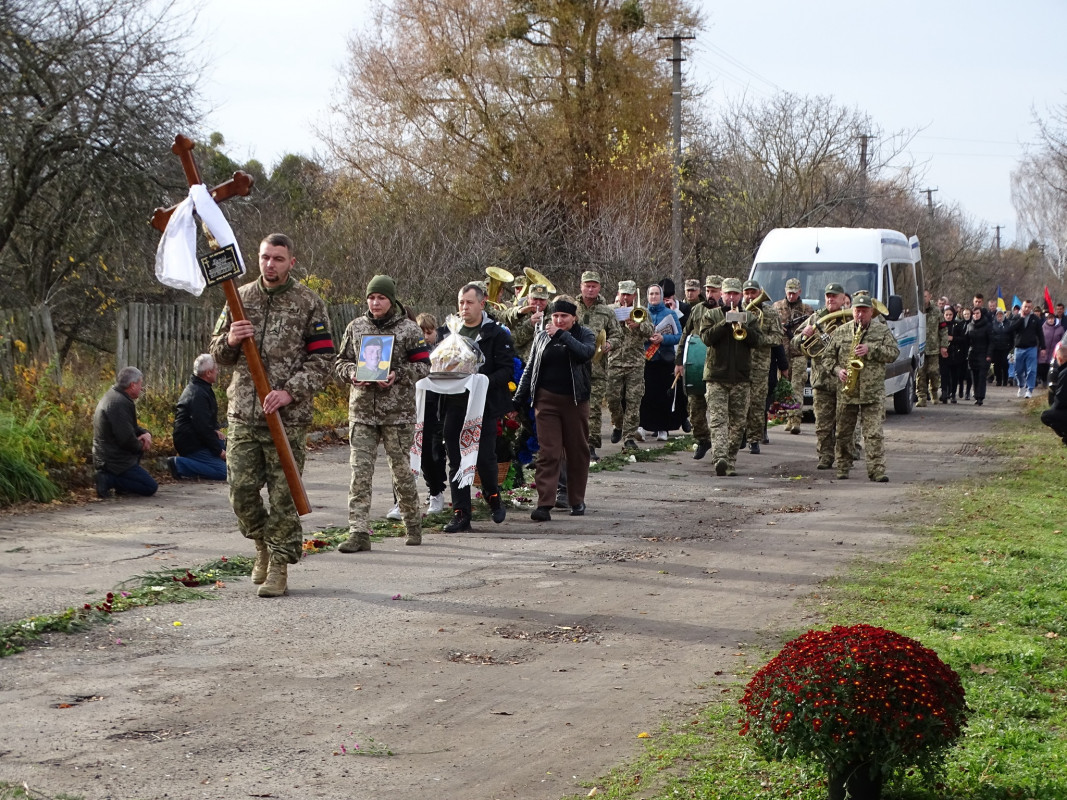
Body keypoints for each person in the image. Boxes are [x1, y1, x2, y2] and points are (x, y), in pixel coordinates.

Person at [209, 232, 335, 599]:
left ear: (291, 262)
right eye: (265, 257)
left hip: (287, 418)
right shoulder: (239, 298)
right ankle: (261, 544)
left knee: (283, 497)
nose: (270, 264)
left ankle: (279, 566)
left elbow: (323, 359)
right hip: (244, 413)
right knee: (241, 492)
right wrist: (231, 339)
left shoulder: (309, 303)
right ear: (258, 258)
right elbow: (217, 352)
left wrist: (289, 391)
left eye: (278, 258)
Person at [334, 275, 430, 552]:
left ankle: (412, 523)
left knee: (401, 472)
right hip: (362, 411)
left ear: (392, 300)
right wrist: (353, 374)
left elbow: (424, 366)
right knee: (359, 473)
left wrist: (398, 375)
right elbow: (341, 361)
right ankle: (358, 532)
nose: (375, 303)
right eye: (371, 297)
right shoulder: (356, 327)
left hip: (397, 413)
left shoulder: (409, 330)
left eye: (381, 298)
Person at [440, 282, 516, 533]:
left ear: (482, 303)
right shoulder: (449, 332)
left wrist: (482, 381)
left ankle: (493, 495)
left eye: (469, 302)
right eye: (461, 302)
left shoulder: (497, 333)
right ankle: (461, 514)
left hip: (484, 404)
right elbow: (439, 361)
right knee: (457, 459)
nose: (464, 307)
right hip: (455, 404)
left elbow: (507, 369)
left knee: (484, 457)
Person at [514, 295, 596, 521]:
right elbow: (530, 369)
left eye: (564, 316)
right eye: (556, 316)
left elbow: (584, 353)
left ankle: (576, 499)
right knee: (548, 452)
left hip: (575, 402)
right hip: (546, 401)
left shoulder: (584, 334)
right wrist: (518, 399)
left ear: (574, 318)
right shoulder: (541, 337)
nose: (559, 320)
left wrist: (562, 335)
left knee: (577, 451)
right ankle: (544, 503)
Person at [823, 292, 899, 482]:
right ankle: (843, 466)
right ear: (852, 311)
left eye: (864, 311)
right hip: (847, 391)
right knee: (843, 433)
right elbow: (826, 358)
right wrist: (838, 371)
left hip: (872, 392)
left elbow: (894, 353)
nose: (860, 315)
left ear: (871, 312)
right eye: (857, 311)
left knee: (873, 434)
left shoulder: (881, 331)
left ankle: (876, 470)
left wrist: (871, 350)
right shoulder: (841, 331)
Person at [699, 278, 764, 476]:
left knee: (738, 423)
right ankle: (720, 458)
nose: (731, 297)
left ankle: (731, 460)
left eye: (735, 294)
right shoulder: (711, 315)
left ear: (741, 296)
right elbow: (706, 338)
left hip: (741, 377)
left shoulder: (750, 317)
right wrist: (725, 323)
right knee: (718, 421)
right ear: (722, 295)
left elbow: (758, 341)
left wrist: (744, 325)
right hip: (716, 377)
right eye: (728, 294)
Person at [792, 283, 849, 470]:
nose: (830, 299)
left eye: (835, 296)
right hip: (821, 380)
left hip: (844, 379)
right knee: (822, 424)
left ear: (843, 299)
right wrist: (803, 336)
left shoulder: (849, 319)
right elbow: (794, 342)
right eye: (828, 296)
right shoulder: (815, 318)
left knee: (843, 424)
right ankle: (825, 456)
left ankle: (843, 458)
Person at [673, 275, 722, 459]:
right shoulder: (698, 310)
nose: (710, 294)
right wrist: (679, 362)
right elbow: (685, 335)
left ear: (721, 292)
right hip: (696, 366)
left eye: (714, 291)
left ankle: (721, 450)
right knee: (695, 410)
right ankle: (703, 439)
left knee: (719, 413)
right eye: (708, 290)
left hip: (719, 368)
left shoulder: (728, 312)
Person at [576, 270, 621, 461]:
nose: (590, 289)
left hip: (597, 367)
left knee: (593, 409)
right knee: (574, 408)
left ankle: (591, 444)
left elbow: (617, 334)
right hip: (574, 366)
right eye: (587, 285)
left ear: (599, 288)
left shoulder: (607, 311)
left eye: (594, 286)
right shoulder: (572, 307)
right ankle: (573, 445)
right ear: (581, 286)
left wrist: (610, 344)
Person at [92, 366, 158, 498]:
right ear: (132, 385)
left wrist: (146, 434)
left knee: (140, 443)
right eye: (140, 384)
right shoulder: (119, 403)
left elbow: (131, 427)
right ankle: (108, 479)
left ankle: (121, 484)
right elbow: (126, 440)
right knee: (150, 487)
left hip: (110, 455)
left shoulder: (116, 396)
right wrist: (142, 445)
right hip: (112, 460)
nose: (142, 388)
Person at [608, 280, 654, 451]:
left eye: (629, 294)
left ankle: (629, 436)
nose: (625, 297)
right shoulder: (610, 310)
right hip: (614, 361)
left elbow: (651, 331)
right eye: (623, 294)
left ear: (634, 295)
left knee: (633, 400)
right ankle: (618, 424)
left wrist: (639, 325)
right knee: (613, 398)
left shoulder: (642, 311)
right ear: (619, 294)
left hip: (635, 362)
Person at [740, 280, 783, 453]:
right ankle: (739, 435)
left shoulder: (770, 312)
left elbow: (778, 337)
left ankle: (754, 439)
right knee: (739, 403)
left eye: (754, 292)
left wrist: (759, 339)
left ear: (759, 293)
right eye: (747, 292)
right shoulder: (736, 310)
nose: (750, 296)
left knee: (757, 403)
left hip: (760, 365)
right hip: (739, 363)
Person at [168, 354, 226, 481]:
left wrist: (215, 430)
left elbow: (205, 421)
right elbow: (202, 428)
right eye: (216, 369)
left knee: (230, 448)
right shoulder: (197, 394)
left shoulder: (202, 388)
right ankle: (180, 464)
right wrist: (218, 451)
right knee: (224, 472)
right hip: (191, 444)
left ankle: (206, 460)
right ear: (208, 373)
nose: (218, 372)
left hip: (198, 439)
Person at [637, 283, 682, 441]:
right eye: (651, 294)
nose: (654, 297)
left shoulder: (670, 314)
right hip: (647, 359)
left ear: (662, 296)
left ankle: (663, 429)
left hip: (665, 359)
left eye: (657, 294)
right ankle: (642, 427)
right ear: (647, 296)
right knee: (645, 394)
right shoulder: (642, 313)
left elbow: (678, 336)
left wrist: (663, 339)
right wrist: (646, 337)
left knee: (664, 395)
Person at [415, 312, 446, 513]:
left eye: (429, 332)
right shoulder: (416, 350)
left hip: (442, 405)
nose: (426, 337)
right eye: (422, 333)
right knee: (423, 451)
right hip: (421, 405)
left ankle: (438, 490)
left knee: (437, 452)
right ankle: (433, 490)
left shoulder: (446, 348)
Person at [773, 277, 814, 431]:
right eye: (789, 292)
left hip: (799, 354)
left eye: (794, 293)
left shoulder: (807, 310)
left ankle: (796, 419)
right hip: (781, 354)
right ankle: (788, 418)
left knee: (797, 386)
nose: (791, 296)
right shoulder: (776, 307)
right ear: (785, 291)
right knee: (785, 387)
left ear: (799, 292)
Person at [1007, 299, 1044, 399]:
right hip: (1019, 348)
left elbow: (1040, 334)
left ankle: (1029, 389)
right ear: (1022, 307)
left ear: (1031, 308)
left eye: (1029, 307)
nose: (1027, 309)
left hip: (1031, 348)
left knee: (1031, 370)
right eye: (1025, 307)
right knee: (1018, 371)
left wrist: (1043, 347)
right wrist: (1021, 319)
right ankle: (1021, 385)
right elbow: (1010, 329)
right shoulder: (1016, 317)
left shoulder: (1035, 319)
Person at [916, 290, 947, 406]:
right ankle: (921, 397)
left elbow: (943, 329)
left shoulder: (937, 311)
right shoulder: (917, 311)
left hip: (933, 348)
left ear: (930, 297)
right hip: (920, 348)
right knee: (920, 374)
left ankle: (934, 393)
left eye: (925, 296)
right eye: (921, 297)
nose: (923, 299)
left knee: (933, 372)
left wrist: (944, 345)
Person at [1041, 343, 1067, 444]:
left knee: (1047, 415)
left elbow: (1061, 399)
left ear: (1059, 359)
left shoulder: (1064, 373)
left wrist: (1052, 409)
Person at [965, 306, 991, 406]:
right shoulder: (970, 325)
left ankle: (980, 397)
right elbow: (966, 340)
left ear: (981, 314)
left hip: (984, 354)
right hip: (972, 354)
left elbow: (991, 341)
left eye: (978, 313)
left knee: (981, 376)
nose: (976, 315)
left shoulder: (987, 326)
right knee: (974, 376)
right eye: (974, 313)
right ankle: (976, 396)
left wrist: (989, 354)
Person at [939, 306, 966, 403]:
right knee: (944, 374)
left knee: (954, 375)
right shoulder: (941, 325)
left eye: (950, 315)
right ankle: (944, 393)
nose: (948, 316)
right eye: (946, 315)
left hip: (955, 353)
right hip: (943, 353)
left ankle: (953, 393)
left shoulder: (958, 325)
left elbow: (963, 339)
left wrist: (953, 338)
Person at [1038, 311, 1064, 387]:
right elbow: (1040, 338)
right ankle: (1043, 380)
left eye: (1052, 318)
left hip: (1054, 351)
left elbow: (1062, 340)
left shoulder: (1060, 328)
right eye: (1049, 318)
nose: (1050, 320)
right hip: (1043, 350)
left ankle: (1048, 382)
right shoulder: (1043, 327)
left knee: (1050, 367)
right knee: (1042, 367)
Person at [989, 309, 1012, 387]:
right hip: (996, 348)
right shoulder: (993, 324)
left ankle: (1005, 380)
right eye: (998, 315)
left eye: (1001, 315)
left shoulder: (1008, 323)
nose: (999, 316)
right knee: (997, 365)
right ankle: (998, 380)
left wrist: (1010, 347)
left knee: (1005, 364)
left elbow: (1012, 336)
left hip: (1006, 347)